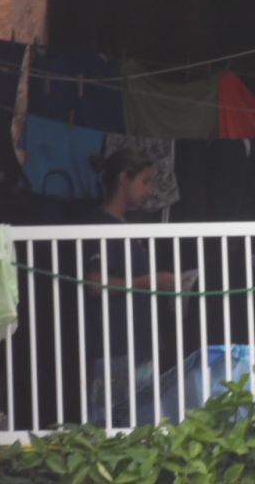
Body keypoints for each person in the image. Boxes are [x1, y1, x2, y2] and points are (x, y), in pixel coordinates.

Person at [84, 150, 176, 426]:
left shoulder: (127, 226)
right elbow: (94, 284)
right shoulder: (99, 225)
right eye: (145, 182)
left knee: (145, 427)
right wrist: (147, 282)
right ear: (124, 179)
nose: (150, 191)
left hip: (140, 348)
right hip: (115, 350)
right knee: (113, 428)